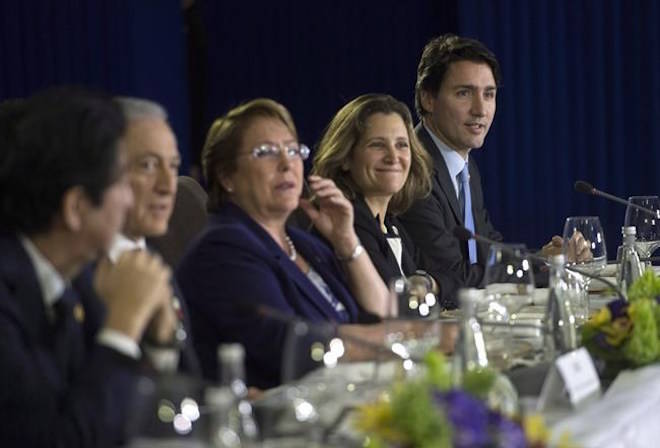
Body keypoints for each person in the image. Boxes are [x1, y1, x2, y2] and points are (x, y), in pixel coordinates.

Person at [0, 89, 174, 447]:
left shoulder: (71, 279)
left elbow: (136, 419)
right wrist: (123, 328)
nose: (129, 199)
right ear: (76, 207)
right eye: (120, 183)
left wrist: (157, 343)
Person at [176, 98, 390, 389]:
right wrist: (404, 339)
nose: (287, 163)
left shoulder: (304, 244)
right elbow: (288, 346)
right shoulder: (223, 248)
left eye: (293, 150)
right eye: (266, 152)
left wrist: (346, 240)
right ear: (227, 176)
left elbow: (379, 314)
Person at [400, 34, 562, 307]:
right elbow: (454, 275)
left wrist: (545, 259)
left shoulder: (463, 164)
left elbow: (488, 251)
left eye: (489, 94)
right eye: (464, 93)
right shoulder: (413, 169)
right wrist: (539, 265)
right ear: (428, 98)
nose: (480, 110)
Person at [313, 93, 455, 295]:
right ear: (345, 157)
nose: (393, 157)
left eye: (401, 145)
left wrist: (426, 284)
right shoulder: (346, 221)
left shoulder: (390, 223)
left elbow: (450, 278)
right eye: (377, 145)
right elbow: (392, 304)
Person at [106, 97, 200, 375]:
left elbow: (186, 377)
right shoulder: (79, 272)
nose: (168, 186)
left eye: (172, 166)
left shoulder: (155, 258)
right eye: (147, 165)